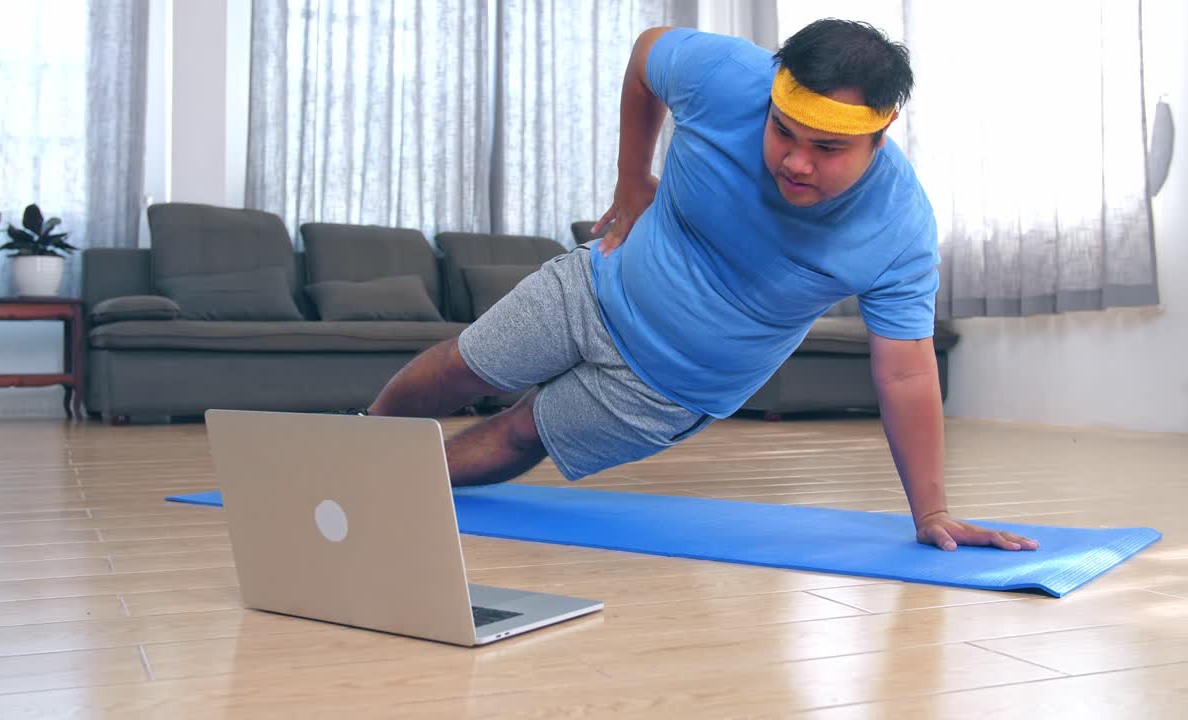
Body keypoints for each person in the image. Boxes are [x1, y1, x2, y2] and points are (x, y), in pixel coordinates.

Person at [368, 19, 1039, 553]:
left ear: (880, 133)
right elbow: (646, 56)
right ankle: (357, 447)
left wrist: (933, 512)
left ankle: (391, 482)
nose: (796, 162)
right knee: (464, 366)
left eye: (827, 149)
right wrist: (631, 182)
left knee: (521, 433)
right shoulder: (728, 77)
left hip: (668, 389)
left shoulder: (898, 228)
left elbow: (906, 376)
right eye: (783, 132)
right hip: (595, 285)